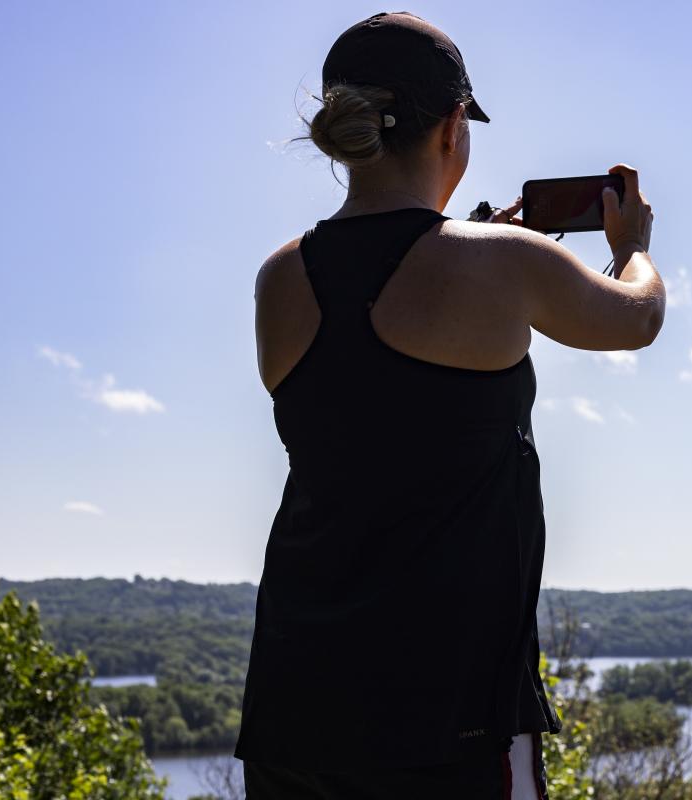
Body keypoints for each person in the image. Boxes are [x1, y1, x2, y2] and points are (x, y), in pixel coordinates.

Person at [234, 11, 664, 799]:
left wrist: (460, 243)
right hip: (447, 711)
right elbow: (636, 319)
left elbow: (370, 393)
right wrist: (632, 244)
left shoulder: (279, 279)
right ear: (453, 125)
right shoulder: (501, 260)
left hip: (296, 703)